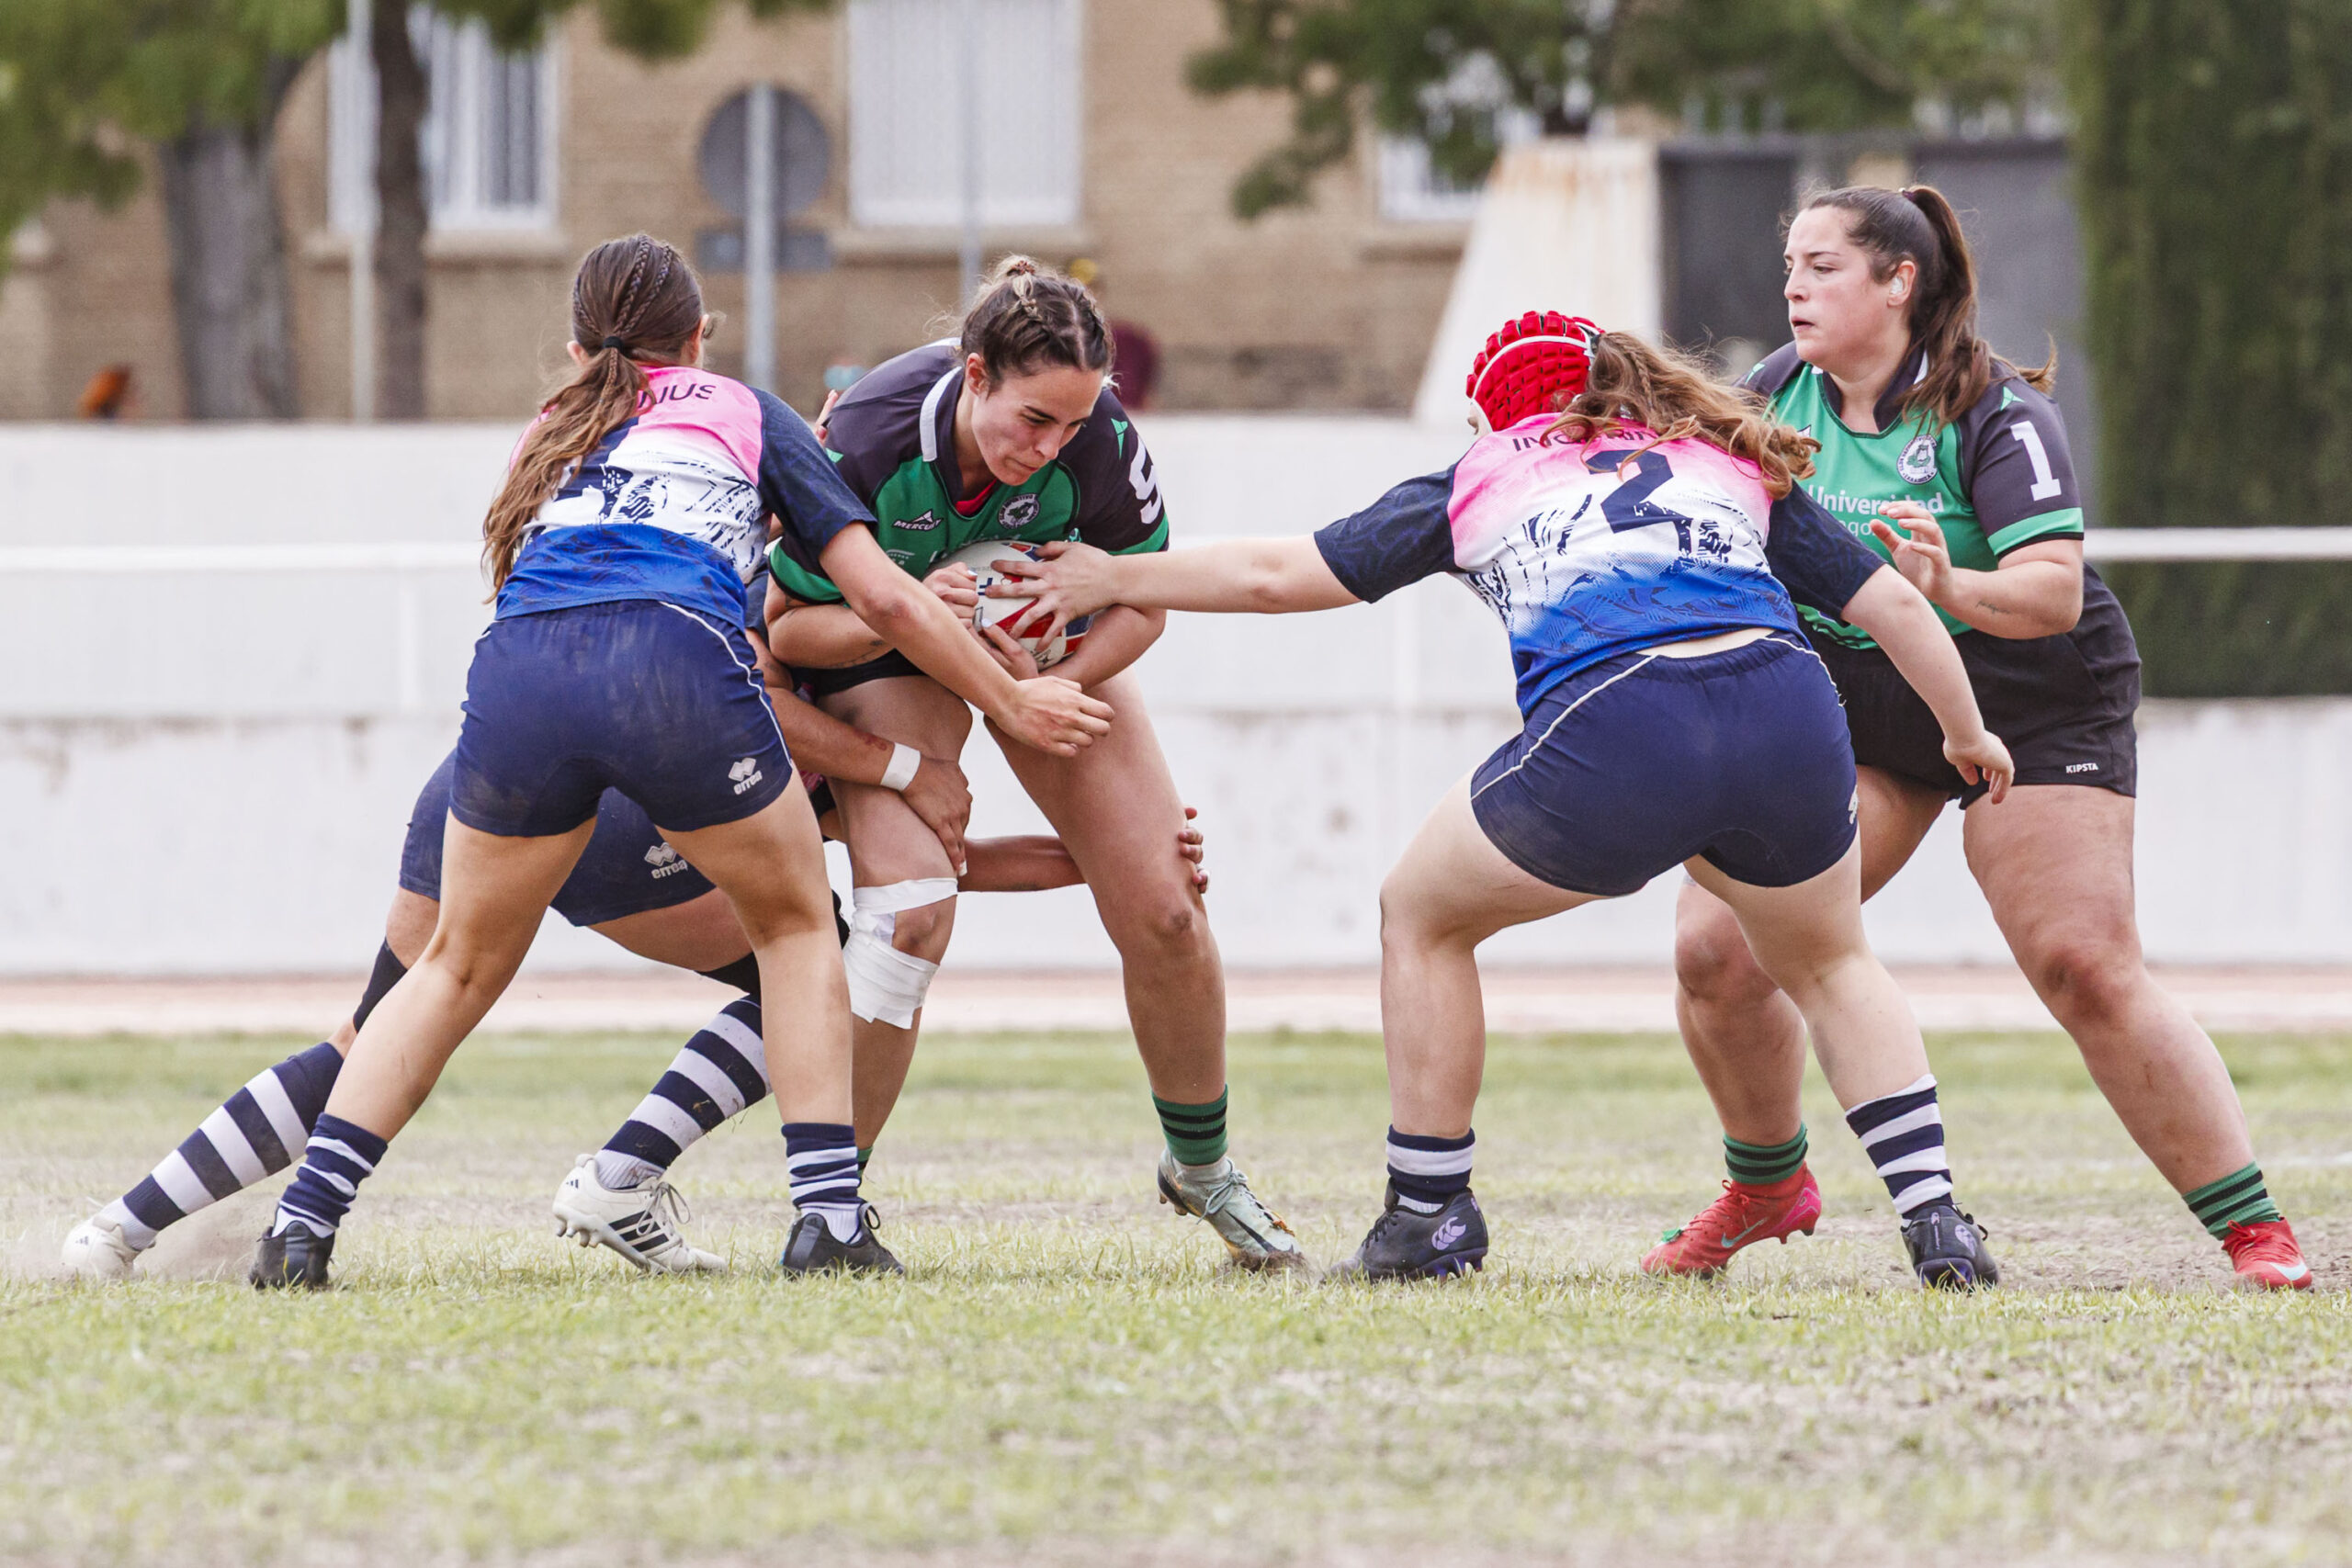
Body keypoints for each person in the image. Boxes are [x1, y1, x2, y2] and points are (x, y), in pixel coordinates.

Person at [1006, 312, 2018, 1287]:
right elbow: (1888, 601)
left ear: (1494, 411)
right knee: (1832, 961)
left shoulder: (1484, 474)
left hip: (1624, 717)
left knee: (1422, 915)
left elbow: (1277, 575)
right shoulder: (1721, 458)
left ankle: (1428, 1209)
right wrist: (1965, 732)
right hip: (1787, 706)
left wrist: (1113, 575)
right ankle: (1934, 1216)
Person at [243, 233, 1111, 1291]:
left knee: (455, 967)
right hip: (673, 663)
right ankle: (827, 1220)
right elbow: (883, 597)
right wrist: (1008, 694)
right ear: (701, 337)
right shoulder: (743, 409)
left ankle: (300, 1225)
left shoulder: (551, 429)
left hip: (518, 671)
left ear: (577, 352)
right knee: (798, 933)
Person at [1657, 186, 2312, 1291]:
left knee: (2081, 963)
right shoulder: (1773, 397)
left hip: (2027, 688)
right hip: (1869, 692)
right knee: (1718, 949)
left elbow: (2051, 595)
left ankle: (2252, 1229)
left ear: (1896, 282)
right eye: (1789, 266)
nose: (1793, 287)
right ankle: (1767, 1183)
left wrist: (1943, 581)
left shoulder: (1990, 412)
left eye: (1821, 267)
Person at [765, 256, 1305, 1270]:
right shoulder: (873, 434)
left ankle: (1202, 1168)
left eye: (1072, 422)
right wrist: (923, 605)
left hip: (1048, 656)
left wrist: (1061, 666)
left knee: (1165, 903)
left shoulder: (1098, 439)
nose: (1052, 446)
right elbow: (789, 632)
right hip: (885, 649)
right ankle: (832, 1208)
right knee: (909, 913)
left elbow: (1143, 599)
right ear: (973, 377)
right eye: (1031, 420)